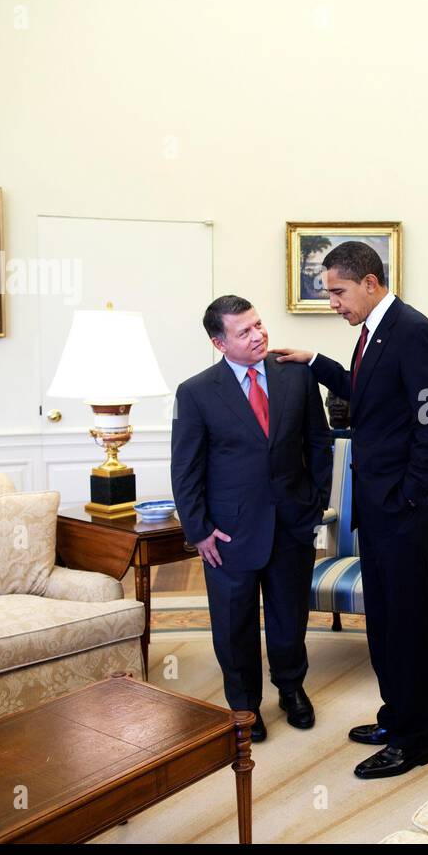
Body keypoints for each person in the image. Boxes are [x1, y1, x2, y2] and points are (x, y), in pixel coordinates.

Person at [273, 241, 428, 779]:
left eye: (337, 291)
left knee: (405, 622)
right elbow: (370, 392)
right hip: (377, 507)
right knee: (384, 620)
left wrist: (411, 497)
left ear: (369, 282)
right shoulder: (372, 333)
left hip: (401, 507)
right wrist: (317, 362)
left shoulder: (414, 331)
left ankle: (416, 738)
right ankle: (395, 714)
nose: (332, 301)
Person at [171, 295, 333, 742]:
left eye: (259, 325)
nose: (259, 335)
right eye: (244, 331)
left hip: (292, 522)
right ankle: (244, 705)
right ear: (219, 343)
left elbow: (319, 442)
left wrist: (315, 501)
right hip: (228, 533)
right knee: (234, 623)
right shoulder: (196, 392)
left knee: (289, 616)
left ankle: (292, 688)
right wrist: (199, 529)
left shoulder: (296, 376)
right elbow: (185, 469)